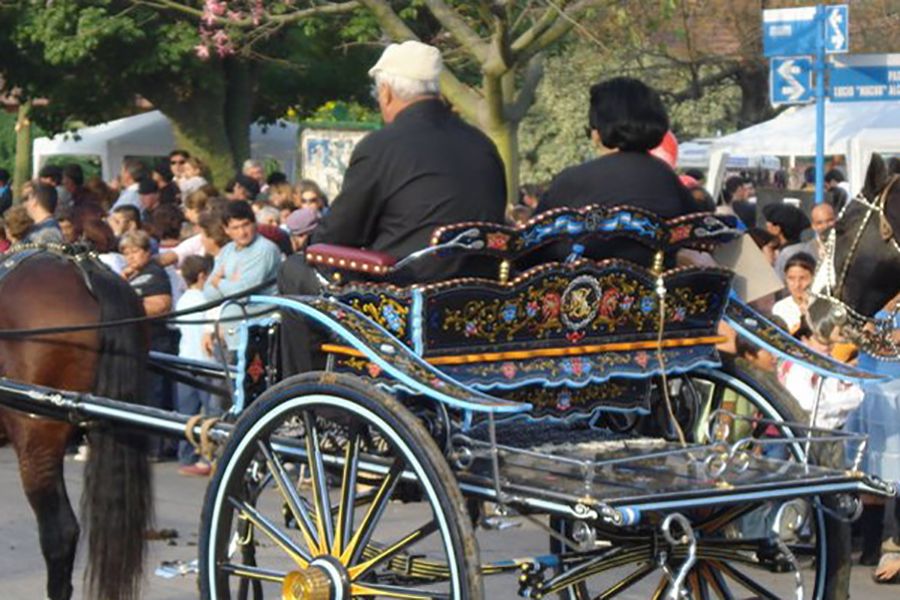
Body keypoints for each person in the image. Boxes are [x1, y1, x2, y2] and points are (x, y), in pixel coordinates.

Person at [279, 40, 507, 375]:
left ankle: (308, 390)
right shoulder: (482, 144)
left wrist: (312, 246)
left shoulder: (381, 147)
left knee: (295, 270)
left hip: (403, 294)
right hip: (476, 293)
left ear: (386, 93)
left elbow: (339, 233)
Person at [537, 76, 694, 266]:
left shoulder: (571, 181)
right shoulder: (668, 179)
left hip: (581, 289)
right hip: (656, 290)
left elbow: (530, 247)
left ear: (597, 133)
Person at [120, 229, 176, 459]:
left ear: (146, 252)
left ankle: (157, 446)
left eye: (135, 251)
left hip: (156, 341)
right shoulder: (131, 275)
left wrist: (128, 305)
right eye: (126, 253)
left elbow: (162, 305)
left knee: (156, 396)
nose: (131, 257)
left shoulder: (155, 273)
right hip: (136, 343)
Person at [174, 254, 219, 477]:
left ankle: (185, 455)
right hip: (205, 362)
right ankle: (207, 456)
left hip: (184, 360)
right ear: (202, 276)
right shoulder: (205, 299)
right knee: (209, 413)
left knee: (186, 412)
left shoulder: (182, 300)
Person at [203, 201, 280, 302]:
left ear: (255, 223)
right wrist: (231, 285)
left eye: (246, 225)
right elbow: (208, 293)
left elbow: (242, 294)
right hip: (232, 310)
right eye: (235, 228)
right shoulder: (227, 250)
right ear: (226, 230)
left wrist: (218, 282)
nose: (242, 233)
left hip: (261, 311)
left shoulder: (264, 249)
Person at [764, 202, 812, 280]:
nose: (766, 229)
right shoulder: (807, 248)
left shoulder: (787, 253)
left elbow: (775, 285)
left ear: (777, 229)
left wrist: (768, 264)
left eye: (769, 226)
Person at [772, 252, 816, 334]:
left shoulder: (822, 306)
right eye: (791, 278)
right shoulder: (780, 308)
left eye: (803, 278)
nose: (797, 285)